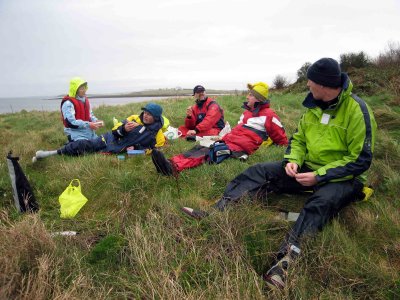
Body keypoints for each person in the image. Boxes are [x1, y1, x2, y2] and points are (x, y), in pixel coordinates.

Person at [180, 58, 377, 290]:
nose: (308, 86)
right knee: (258, 171)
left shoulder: (357, 110)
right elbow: (298, 140)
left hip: (343, 177)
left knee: (320, 202)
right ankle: (218, 211)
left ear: (324, 84)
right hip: (307, 169)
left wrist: (319, 175)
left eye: (310, 82)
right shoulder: (312, 107)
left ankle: (287, 260)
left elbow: (360, 160)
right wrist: (293, 160)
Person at [151, 82, 288, 175]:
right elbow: (190, 125)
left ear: (258, 99)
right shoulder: (246, 113)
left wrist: (280, 146)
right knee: (199, 147)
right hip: (229, 140)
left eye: (251, 95)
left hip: (239, 147)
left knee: (209, 152)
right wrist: (189, 117)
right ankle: (170, 161)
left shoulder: (269, 115)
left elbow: (280, 137)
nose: (247, 96)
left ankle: (173, 169)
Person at [33, 103, 166, 161]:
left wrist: (137, 149)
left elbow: (154, 148)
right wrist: (123, 129)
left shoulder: (157, 133)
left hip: (117, 149)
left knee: (85, 153)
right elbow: (114, 131)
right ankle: (49, 153)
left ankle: (61, 151)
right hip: (108, 139)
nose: (146, 116)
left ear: (155, 117)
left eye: (150, 114)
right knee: (84, 145)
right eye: (145, 112)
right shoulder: (133, 118)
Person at [61, 77, 104, 142]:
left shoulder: (85, 101)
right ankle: (70, 145)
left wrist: (96, 121)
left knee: (102, 142)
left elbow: (90, 115)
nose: (84, 90)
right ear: (75, 90)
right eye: (81, 89)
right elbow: (70, 122)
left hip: (88, 132)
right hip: (74, 133)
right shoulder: (68, 103)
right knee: (85, 147)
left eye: (84, 88)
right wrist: (89, 124)